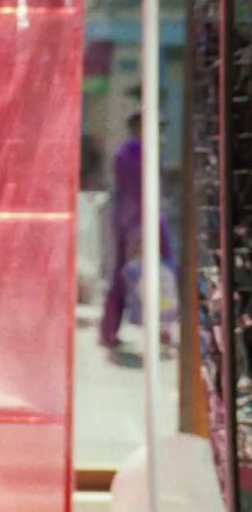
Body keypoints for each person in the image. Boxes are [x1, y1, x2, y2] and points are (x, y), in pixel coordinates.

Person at [101, 111, 176, 353]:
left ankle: (116, 330)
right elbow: (137, 192)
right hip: (140, 222)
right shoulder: (133, 151)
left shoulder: (135, 150)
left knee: (152, 274)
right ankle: (116, 330)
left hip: (140, 221)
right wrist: (141, 230)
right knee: (149, 273)